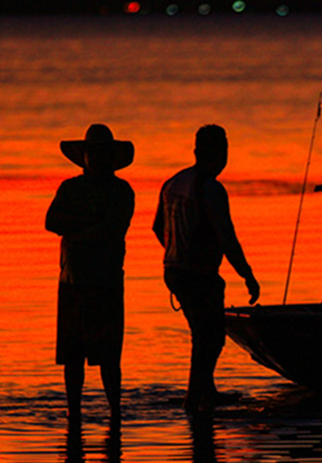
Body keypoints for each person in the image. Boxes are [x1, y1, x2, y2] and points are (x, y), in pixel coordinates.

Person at [153, 125, 260, 413]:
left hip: (173, 271)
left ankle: (206, 392)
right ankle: (194, 400)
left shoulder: (173, 182)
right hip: (196, 274)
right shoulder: (211, 188)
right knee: (211, 338)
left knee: (201, 333)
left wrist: (175, 249)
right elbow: (227, 237)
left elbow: (157, 227)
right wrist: (247, 275)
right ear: (219, 154)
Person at [46, 123, 135, 421]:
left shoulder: (122, 191)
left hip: (106, 282)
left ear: (110, 156)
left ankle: (115, 413)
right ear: (84, 155)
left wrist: (76, 229)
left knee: (110, 358)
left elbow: (110, 230)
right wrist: (89, 223)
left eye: (101, 153)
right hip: (72, 281)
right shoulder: (69, 187)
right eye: (91, 153)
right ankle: (74, 414)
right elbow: (51, 221)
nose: (95, 158)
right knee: (73, 358)